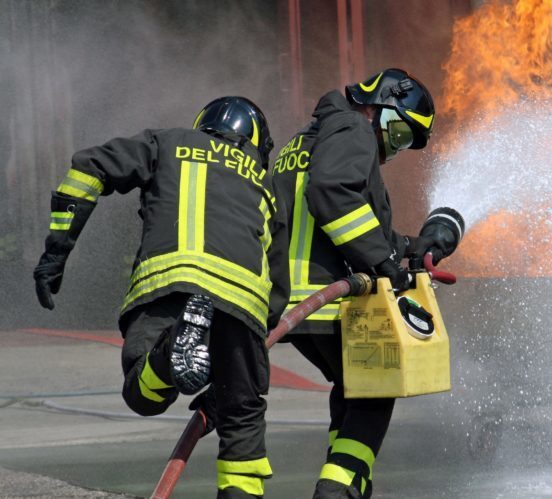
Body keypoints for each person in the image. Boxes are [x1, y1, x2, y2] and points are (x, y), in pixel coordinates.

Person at [33, 96, 280, 499]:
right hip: (242, 303)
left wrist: (56, 251)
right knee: (242, 419)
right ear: (255, 144)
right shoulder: (264, 188)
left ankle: (170, 354)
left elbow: (89, 167)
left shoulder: (167, 143)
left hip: (171, 285)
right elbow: (278, 278)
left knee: (143, 394)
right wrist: (240, 366)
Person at [267, 68, 462, 499]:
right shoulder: (353, 128)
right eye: (402, 133)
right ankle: (337, 491)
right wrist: (383, 261)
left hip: (294, 303)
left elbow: (347, 219)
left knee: (353, 389)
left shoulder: (307, 140)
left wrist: (412, 247)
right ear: (382, 106)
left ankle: (347, 486)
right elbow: (332, 195)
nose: (398, 147)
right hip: (330, 300)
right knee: (377, 390)